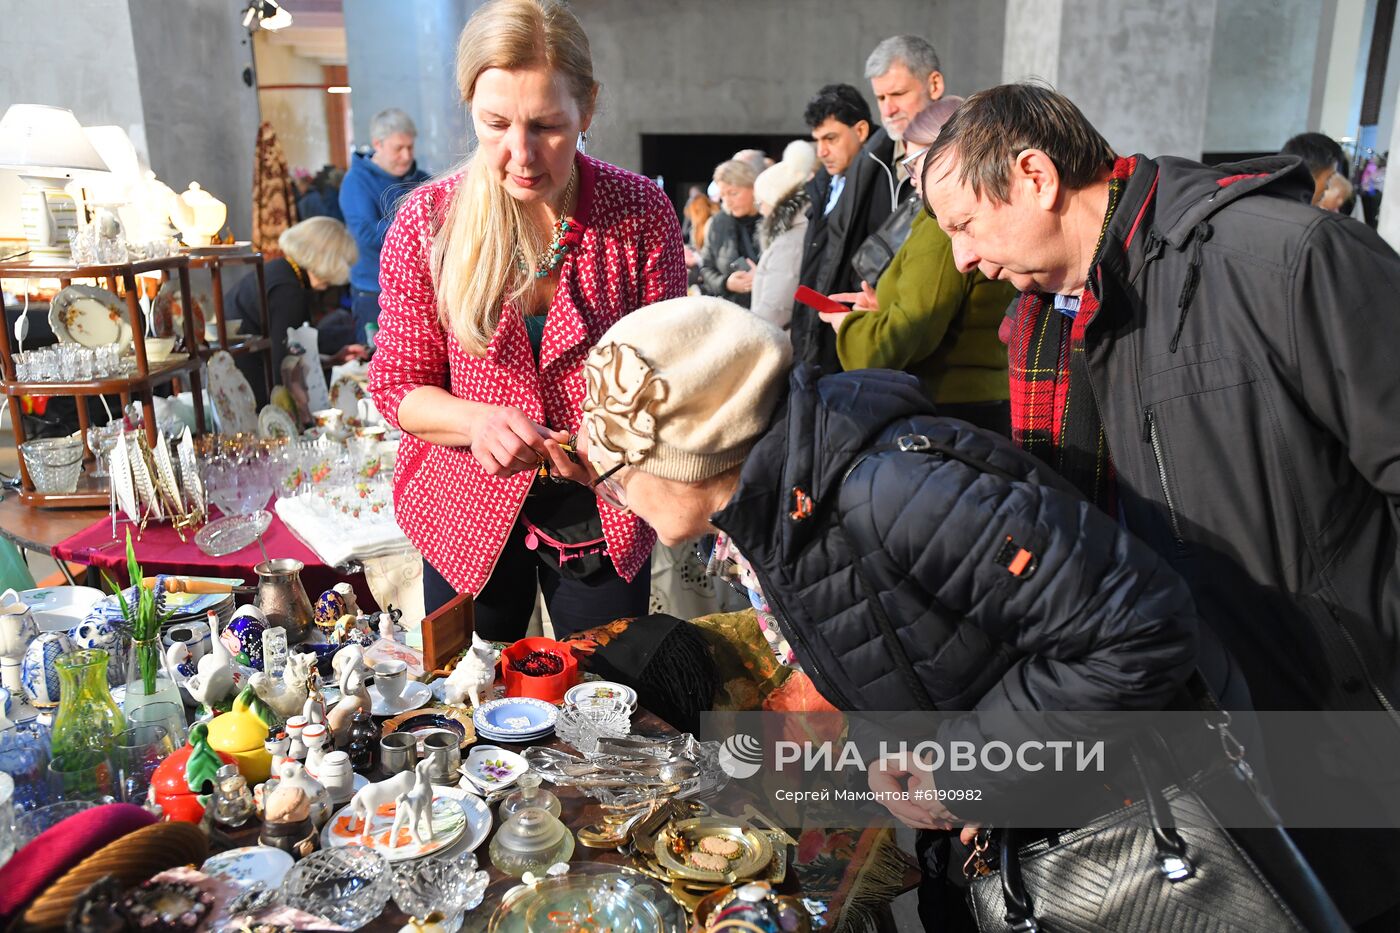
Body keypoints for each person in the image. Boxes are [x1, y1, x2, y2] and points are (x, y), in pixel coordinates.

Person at [575, 296, 1246, 932]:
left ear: (689, 454)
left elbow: (1139, 628)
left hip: (1118, 841)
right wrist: (886, 751)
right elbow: (879, 646)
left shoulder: (890, 489)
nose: (613, 494)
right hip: (1008, 827)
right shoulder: (777, 505)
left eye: (618, 474)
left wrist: (961, 771)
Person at [921, 82, 1400, 929]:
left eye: (962, 225)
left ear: (1034, 176)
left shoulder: (1287, 260)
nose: (960, 259)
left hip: (1344, 728)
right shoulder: (1053, 319)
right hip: (1217, 740)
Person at [366, 0, 685, 640]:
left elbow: (672, 370)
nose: (520, 154)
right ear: (469, 109)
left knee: (607, 706)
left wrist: (615, 434)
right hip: (465, 508)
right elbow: (397, 384)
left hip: (603, 502)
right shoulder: (428, 223)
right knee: (470, 703)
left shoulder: (641, 212)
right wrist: (476, 420)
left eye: (547, 125)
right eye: (495, 124)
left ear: (588, 108)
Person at [819, 98, 1014, 434]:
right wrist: (881, 310)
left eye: (912, 163)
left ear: (948, 153)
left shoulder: (941, 225)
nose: (910, 179)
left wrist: (850, 326)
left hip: (951, 410)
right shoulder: (964, 214)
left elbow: (912, 329)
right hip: (973, 403)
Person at [228, 216, 365, 406]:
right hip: (249, 388)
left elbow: (292, 351)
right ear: (328, 261)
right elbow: (282, 364)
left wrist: (331, 360)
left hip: (241, 377)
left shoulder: (283, 273)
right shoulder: (288, 290)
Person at [791, 83, 875, 372]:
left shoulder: (877, 182)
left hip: (848, 343)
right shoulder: (824, 184)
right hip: (813, 338)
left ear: (861, 131)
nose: (822, 150)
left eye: (831, 138)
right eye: (817, 140)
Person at [339, 107, 431, 346]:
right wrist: (416, 230)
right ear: (377, 144)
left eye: (410, 147)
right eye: (398, 148)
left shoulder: (422, 180)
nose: (406, 155)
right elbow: (367, 234)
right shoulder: (356, 182)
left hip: (421, 291)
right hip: (374, 290)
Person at [748, 142, 816, 331]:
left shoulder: (789, 243)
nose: (759, 209)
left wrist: (752, 331)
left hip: (777, 341)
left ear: (775, 200)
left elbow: (776, 309)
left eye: (760, 202)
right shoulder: (794, 234)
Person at [697, 159, 760, 308]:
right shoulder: (718, 223)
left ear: (753, 188)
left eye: (733, 193)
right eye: (723, 195)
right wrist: (726, 284)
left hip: (769, 311)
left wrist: (763, 279)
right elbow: (706, 268)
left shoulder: (772, 220)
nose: (728, 201)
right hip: (731, 310)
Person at [1281, 131, 1347, 206]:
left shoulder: (1269, 200)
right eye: (1328, 178)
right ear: (1308, 175)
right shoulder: (1303, 216)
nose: (1327, 187)